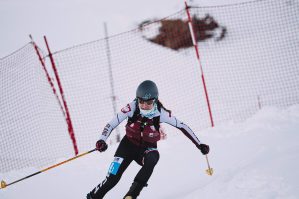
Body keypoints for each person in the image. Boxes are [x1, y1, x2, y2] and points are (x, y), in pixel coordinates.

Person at [86, 80, 210, 199]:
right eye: (141, 102)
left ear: (155, 101)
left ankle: (131, 195)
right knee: (112, 179)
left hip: (146, 149)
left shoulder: (161, 113)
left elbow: (182, 126)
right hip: (127, 146)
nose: (145, 106)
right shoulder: (131, 108)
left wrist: (199, 144)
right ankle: (93, 196)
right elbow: (111, 124)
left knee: (153, 157)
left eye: (149, 102)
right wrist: (101, 140)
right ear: (137, 99)